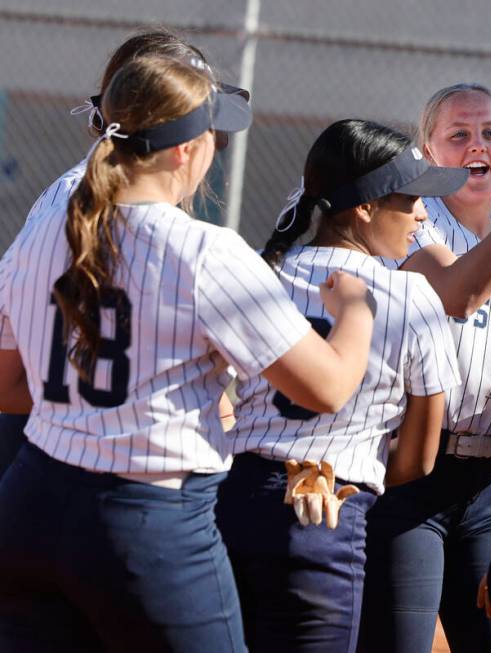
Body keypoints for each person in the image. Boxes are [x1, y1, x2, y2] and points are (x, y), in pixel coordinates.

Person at [0, 55, 374, 652]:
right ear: (186, 150)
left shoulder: (52, 216)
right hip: (146, 521)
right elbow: (326, 388)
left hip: (30, 502)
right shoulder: (204, 249)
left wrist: (91, 413)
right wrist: (356, 308)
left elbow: (7, 381)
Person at [215, 118, 465, 653]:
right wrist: (352, 469)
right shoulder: (411, 295)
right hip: (328, 512)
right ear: (365, 207)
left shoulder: (266, 273)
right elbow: (419, 459)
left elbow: (207, 386)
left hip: (233, 505)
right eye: (410, 199)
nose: (422, 215)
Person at [358, 83, 491, 653]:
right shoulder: (412, 226)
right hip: (412, 477)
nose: (477, 145)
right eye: (459, 135)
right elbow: (460, 295)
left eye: (490, 133)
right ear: (427, 152)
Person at [0, 28, 243, 481]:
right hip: (70, 461)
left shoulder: (95, 199)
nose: (213, 142)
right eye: (205, 125)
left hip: (62, 458)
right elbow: (19, 381)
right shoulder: (96, 210)